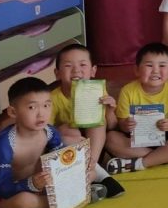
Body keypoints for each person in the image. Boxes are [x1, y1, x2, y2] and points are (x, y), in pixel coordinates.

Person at [0, 77, 106, 208]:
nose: (41, 114)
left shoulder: (50, 132)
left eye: (46, 105)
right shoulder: (4, 143)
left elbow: (59, 162)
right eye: (32, 107)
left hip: (45, 186)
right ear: (13, 112)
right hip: (14, 193)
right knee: (23, 201)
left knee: (90, 174)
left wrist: (77, 165)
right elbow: (1, 188)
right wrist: (31, 184)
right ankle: (73, 201)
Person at [106, 43, 168, 173]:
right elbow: (121, 124)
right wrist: (126, 124)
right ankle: (167, 156)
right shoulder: (128, 91)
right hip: (137, 138)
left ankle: (140, 163)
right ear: (137, 70)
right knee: (110, 138)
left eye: (162, 66)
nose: (156, 71)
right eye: (149, 65)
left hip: (166, 136)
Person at [49, 44, 125, 198]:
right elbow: (46, 133)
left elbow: (112, 126)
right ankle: (101, 176)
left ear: (93, 71)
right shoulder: (52, 98)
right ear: (57, 73)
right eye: (68, 66)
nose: (76, 70)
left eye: (82, 65)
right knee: (68, 130)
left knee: (98, 122)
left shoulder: (97, 91)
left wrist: (110, 110)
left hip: (95, 147)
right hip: (68, 150)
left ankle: (91, 167)